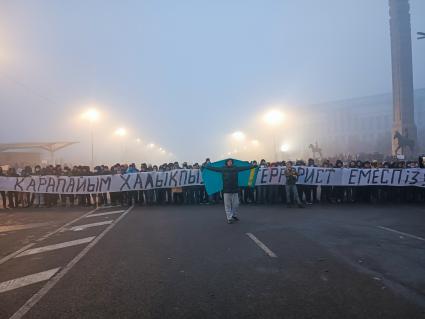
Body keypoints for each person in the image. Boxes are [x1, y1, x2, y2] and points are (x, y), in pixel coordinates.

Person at [203, 159, 256, 224]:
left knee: (236, 204)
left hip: (235, 189)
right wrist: (206, 166)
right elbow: (214, 169)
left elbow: (244, 168)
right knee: (227, 205)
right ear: (226, 163)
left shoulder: (236, 168)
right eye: (229, 161)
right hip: (226, 190)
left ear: (232, 163)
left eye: (231, 161)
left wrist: (253, 166)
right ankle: (229, 218)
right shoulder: (223, 169)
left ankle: (234, 215)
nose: (230, 162)